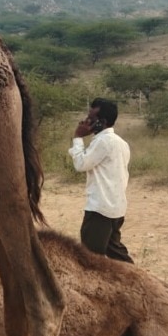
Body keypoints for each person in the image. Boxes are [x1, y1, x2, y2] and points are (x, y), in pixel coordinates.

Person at [69, 97, 133, 263]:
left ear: (102, 122)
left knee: (89, 259)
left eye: (91, 118)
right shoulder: (121, 143)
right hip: (116, 208)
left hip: (100, 209)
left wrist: (78, 137)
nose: (85, 121)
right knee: (117, 254)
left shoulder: (103, 142)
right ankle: (140, 283)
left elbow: (80, 164)